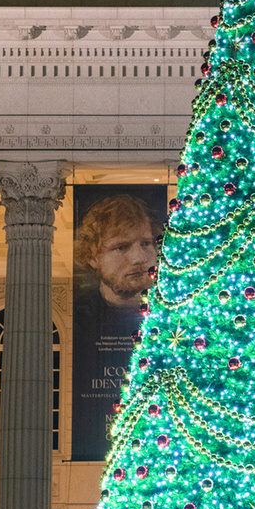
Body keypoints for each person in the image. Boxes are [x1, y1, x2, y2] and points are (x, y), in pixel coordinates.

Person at [72, 195, 160, 456]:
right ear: (92, 257)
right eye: (121, 247)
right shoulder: (76, 320)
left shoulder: (178, 317)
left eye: (146, 243)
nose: (139, 258)